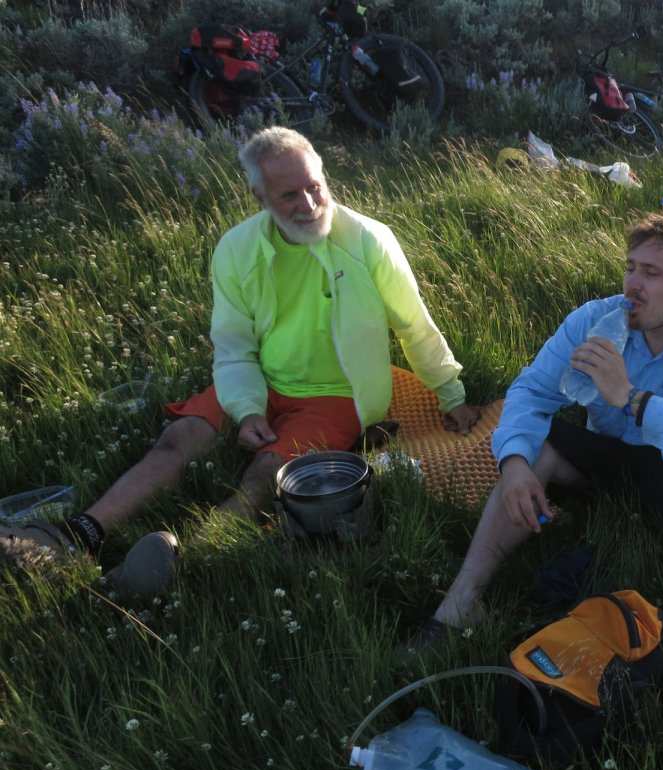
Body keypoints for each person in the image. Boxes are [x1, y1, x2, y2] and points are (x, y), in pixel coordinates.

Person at [3, 126, 477, 595]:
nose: (309, 205)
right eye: (289, 195)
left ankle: (176, 566)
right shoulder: (236, 249)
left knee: (267, 475)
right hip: (263, 379)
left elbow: (414, 324)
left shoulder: (369, 240)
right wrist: (247, 409)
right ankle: (74, 536)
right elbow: (233, 347)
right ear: (259, 196)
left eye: (315, 187)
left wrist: (450, 393)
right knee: (177, 439)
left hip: (339, 394)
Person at [419, 213, 663, 701]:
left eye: (652, 273)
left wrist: (634, 400)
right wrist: (512, 464)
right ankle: (459, 603)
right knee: (534, 445)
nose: (633, 284)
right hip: (609, 465)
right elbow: (531, 391)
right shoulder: (596, 321)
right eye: (631, 267)